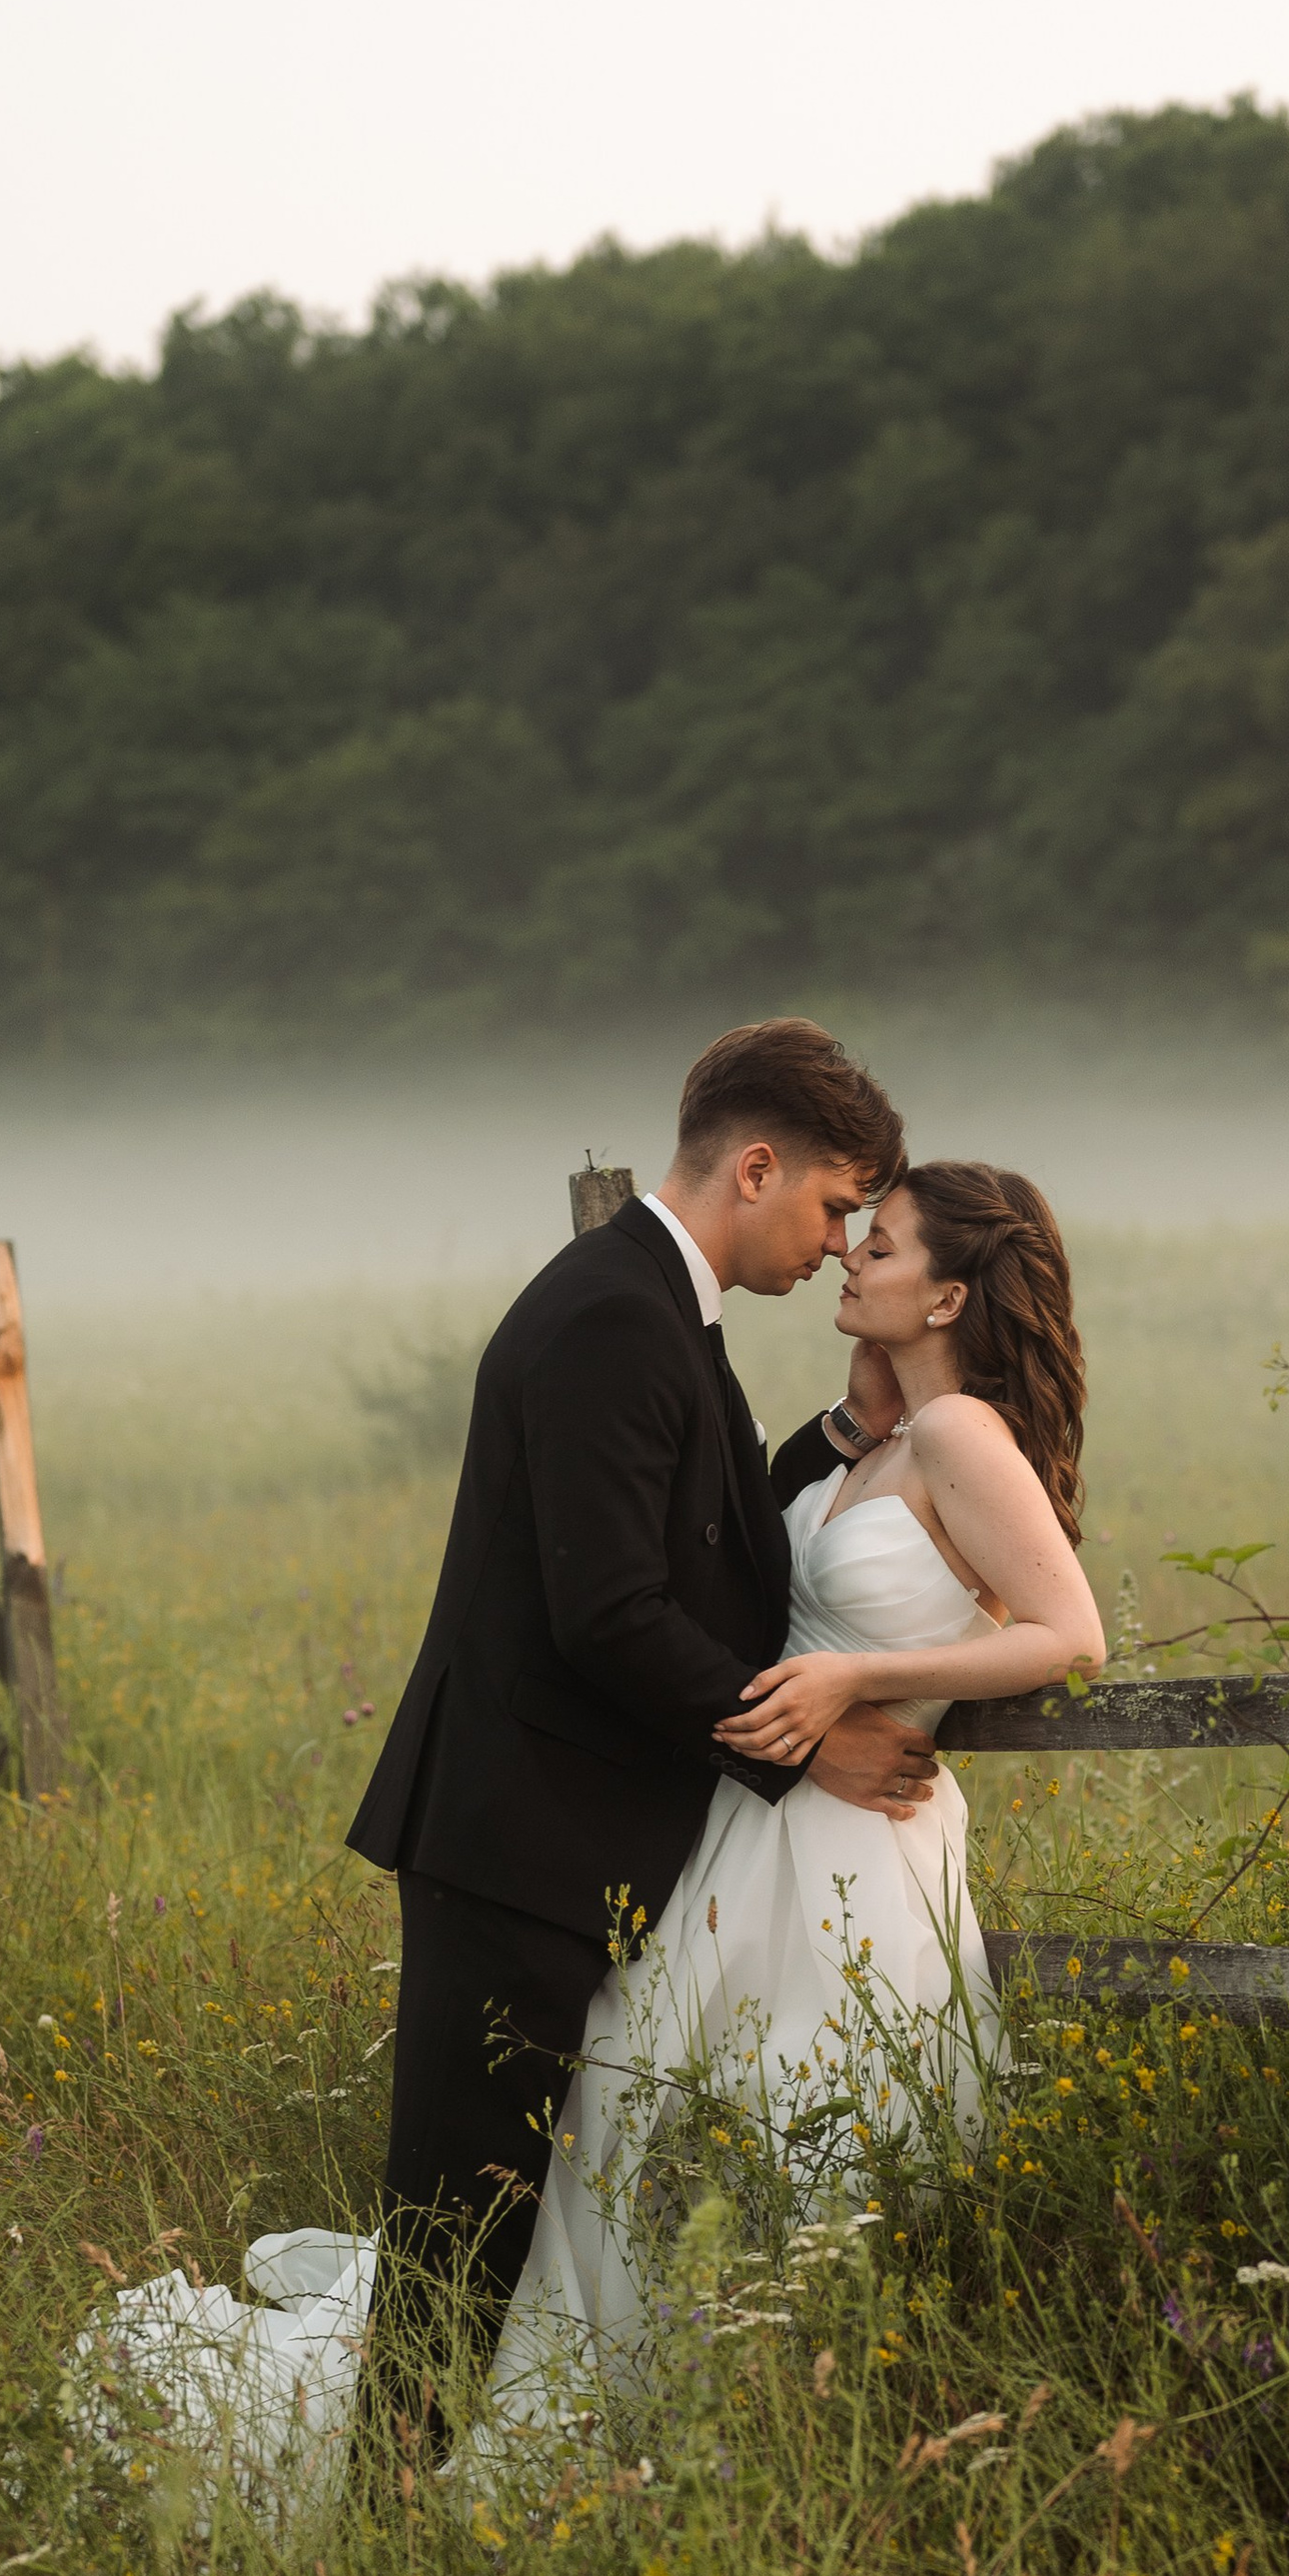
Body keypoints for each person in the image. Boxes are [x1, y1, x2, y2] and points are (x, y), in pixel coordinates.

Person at [344, 1018, 933, 2453]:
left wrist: (835, 1451)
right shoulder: (617, 1314)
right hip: (520, 1846)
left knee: (495, 2222)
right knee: (457, 2231)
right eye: (835, 1204)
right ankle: (380, 2527)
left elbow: (692, 1522)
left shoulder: (655, 1308)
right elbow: (609, 1611)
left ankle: (409, 2506)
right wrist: (810, 1744)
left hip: (547, 1838)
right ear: (753, 1165)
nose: (840, 1243)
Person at [481, 1157, 1102, 2440]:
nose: (847, 1256)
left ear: (947, 1298)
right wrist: (856, 1408)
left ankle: (793, 2415)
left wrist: (858, 1676)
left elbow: (1069, 1632)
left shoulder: (961, 1436)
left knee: (805, 2133)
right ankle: (641, 2413)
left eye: (880, 1245)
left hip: (851, 1851)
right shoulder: (880, 1439)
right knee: (644, 2109)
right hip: (747, 1828)